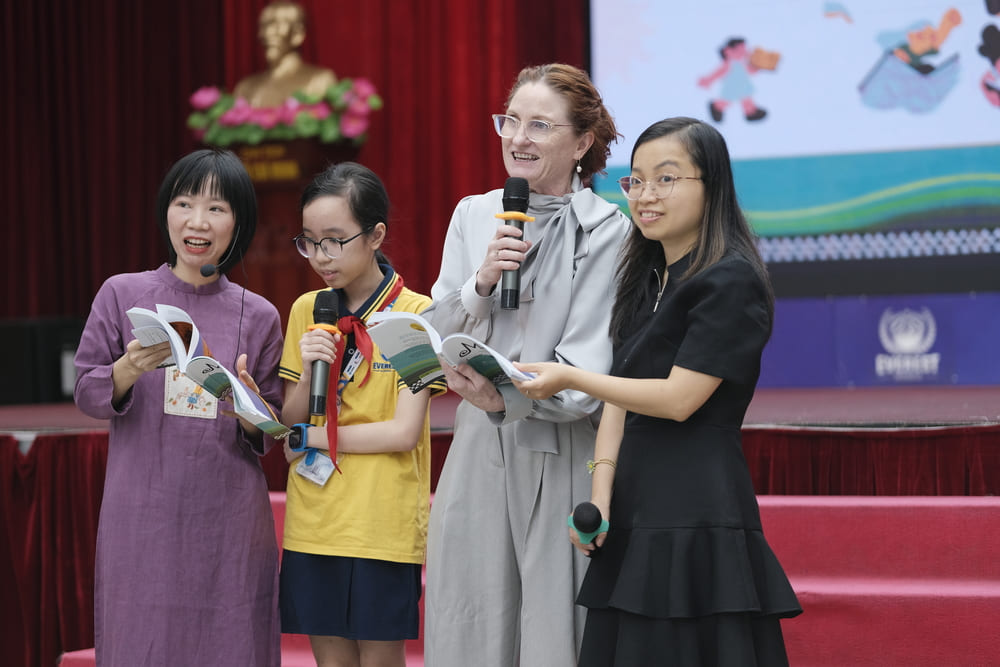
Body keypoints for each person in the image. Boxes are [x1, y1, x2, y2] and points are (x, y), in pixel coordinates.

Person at [513, 117, 803, 666]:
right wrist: (600, 496)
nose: (645, 196)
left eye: (665, 179)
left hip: (695, 508)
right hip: (635, 509)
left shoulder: (729, 279)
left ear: (710, 185)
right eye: (636, 181)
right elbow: (624, 391)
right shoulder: (645, 278)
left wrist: (569, 376)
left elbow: (678, 399)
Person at [421, 63, 631, 666]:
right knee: (471, 614)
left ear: (583, 143)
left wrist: (507, 397)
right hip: (477, 448)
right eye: (510, 121)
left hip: (559, 449)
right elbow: (436, 336)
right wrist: (481, 282)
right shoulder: (474, 214)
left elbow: (587, 370)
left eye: (539, 125)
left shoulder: (609, 230)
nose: (519, 137)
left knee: (552, 623)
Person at [73, 148, 285, 666]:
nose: (197, 221)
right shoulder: (122, 294)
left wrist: (249, 407)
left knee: (232, 640)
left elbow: (272, 422)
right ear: (165, 211)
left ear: (239, 221)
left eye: (216, 208)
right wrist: (128, 368)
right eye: (184, 203)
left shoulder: (258, 314)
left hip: (229, 518)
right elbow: (86, 391)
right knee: (142, 638)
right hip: (144, 511)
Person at [276, 162, 444, 667]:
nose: (321, 257)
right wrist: (310, 370)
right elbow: (290, 416)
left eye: (335, 240)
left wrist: (315, 439)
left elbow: (403, 431)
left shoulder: (417, 314)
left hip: (380, 522)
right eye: (308, 242)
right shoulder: (309, 308)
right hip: (315, 518)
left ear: (376, 235)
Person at [233, 0, 337, 108]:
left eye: (276, 26)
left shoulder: (319, 81)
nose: (267, 33)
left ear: (297, 34)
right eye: (263, 26)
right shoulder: (245, 88)